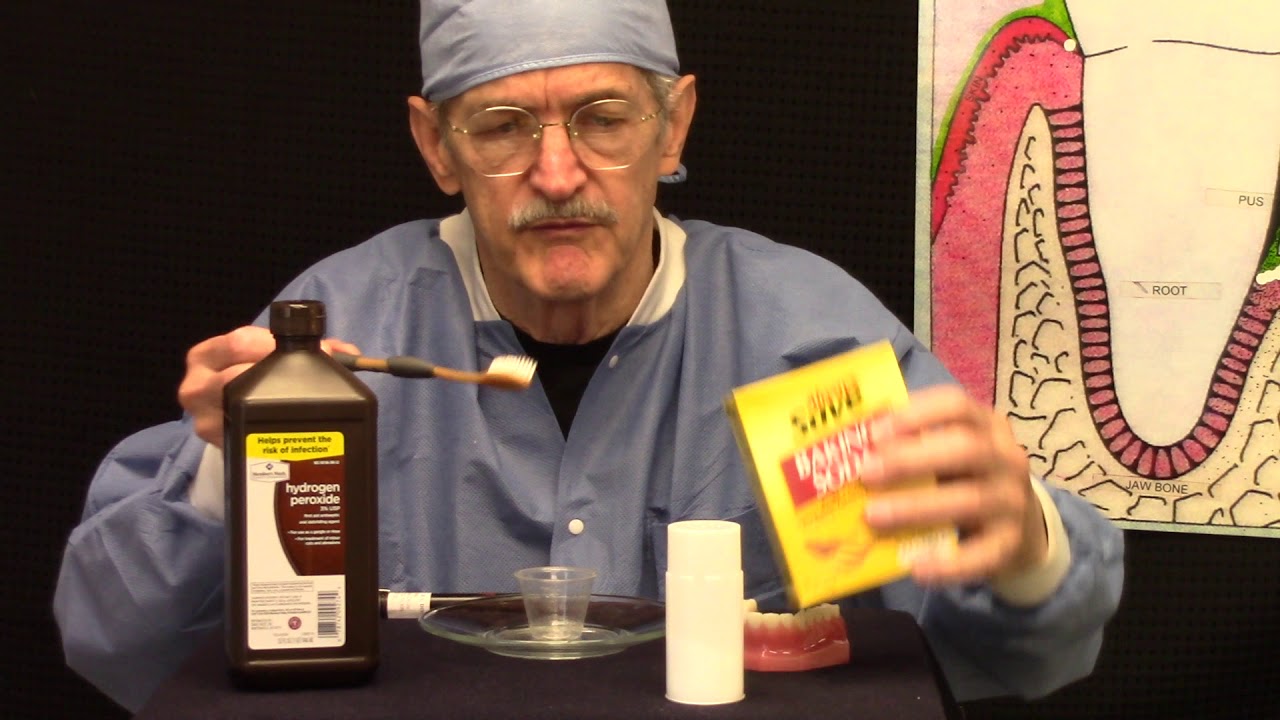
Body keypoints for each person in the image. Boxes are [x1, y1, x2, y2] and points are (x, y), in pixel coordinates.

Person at [54, 0, 1124, 712]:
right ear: (435, 146)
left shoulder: (805, 341)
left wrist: (1020, 544)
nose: (558, 173)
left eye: (604, 119)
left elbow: (1016, 653)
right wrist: (224, 464)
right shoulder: (338, 340)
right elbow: (117, 644)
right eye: (502, 127)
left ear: (673, 126)